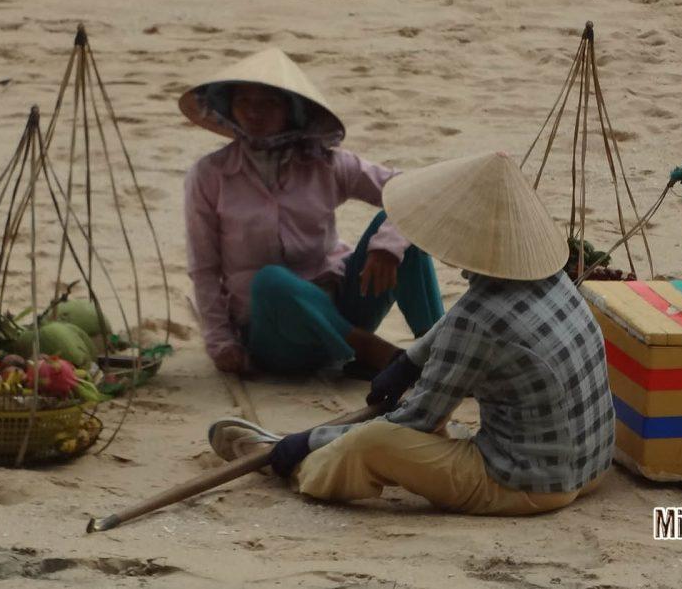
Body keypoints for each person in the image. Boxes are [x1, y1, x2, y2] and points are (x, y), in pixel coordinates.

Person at [209, 151, 615, 515]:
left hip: (526, 486)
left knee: (375, 443)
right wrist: (409, 361)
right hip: (590, 465)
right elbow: (462, 318)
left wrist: (309, 438)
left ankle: (290, 460)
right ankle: (306, 446)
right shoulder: (551, 278)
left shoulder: (478, 321)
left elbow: (414, 420)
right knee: (421, 431)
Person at [180, 47, 444, 377]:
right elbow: (204, 269)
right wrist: (221, 343)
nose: (253, 113)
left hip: (339, 307)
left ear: (293, 110)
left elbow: (411, 190)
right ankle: (369, 348)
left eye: (267, 103)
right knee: (271, 280)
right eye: (244, 102)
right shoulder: (209, 175)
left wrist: (389, 247)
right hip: (274, 333)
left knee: (402, 232)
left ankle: (441, 353)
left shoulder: (327, 163)